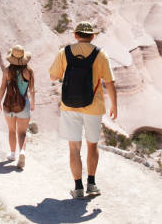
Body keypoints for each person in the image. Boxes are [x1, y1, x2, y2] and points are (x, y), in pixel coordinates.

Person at [49, 21, 117, 198]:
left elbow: (53, 76)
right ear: (92, 36)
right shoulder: (101, 54)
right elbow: (109, 82)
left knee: (74, 148)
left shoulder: (64, 52)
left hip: (70, 106)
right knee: (92, 145)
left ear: (76, 35)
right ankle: (92, 184)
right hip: (93, 107)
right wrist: (114, 105)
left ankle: (78, 187)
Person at [0, 45, 35, 169]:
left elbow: (2, 87)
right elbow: (32, 89)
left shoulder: (7, 71)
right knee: (22, 132)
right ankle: (22, 152)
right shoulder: (28, 71)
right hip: (23, 104)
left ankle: (12, 154)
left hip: (9, 104)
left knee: (11, 130)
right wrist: (33, 103)